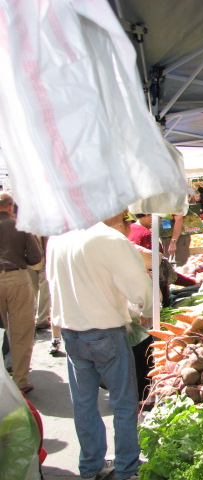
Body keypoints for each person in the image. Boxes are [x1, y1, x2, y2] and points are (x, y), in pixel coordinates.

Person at [46, 209, 153, 480]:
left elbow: (51, 283)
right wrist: (148, 307)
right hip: (105, 331)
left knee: (83, 403)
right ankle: (127, 467)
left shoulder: (59, 237)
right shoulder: (108, 238)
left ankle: (91, 466)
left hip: (71, 331)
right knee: (124, 402)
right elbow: (138, 282)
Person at [0, 192, 43, 393]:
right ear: (10, 206)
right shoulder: (20, 225)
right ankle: (20, 381)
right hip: (16, 276)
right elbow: (35, 257)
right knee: (21, 331)